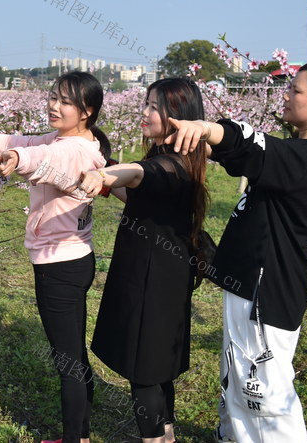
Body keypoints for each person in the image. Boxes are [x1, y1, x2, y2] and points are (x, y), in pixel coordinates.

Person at [166, 61, 307, 443]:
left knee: (264, 396)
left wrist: (209, 129)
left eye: (296, 90)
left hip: (265, 292)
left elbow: (251, 146)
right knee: (239, 378)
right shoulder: (301, 155)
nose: (286, 96)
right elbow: (251, 158)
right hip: (251, 286)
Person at [0, 71, 107, 443]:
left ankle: (74, 439)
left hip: (58, 265)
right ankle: (81, 430)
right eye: (53, 96)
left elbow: (39, 155)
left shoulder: (71, 150)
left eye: (65, 101)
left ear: (86, 111)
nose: (54, 105)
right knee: (73, 351)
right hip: (74, 258)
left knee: (66, 360)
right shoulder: (74, 139)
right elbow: (22, 141)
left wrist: (17, 157)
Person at [78, 78, 209, 443]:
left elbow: (138, 174)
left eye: (154, 106)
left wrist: (104, 174)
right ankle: (166, 435)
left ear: (179, 116)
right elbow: (137, 191)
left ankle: (155, 438)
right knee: (157, 368)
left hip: (152, 278)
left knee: (145, 370)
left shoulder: (168, 165)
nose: (145, 113)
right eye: (146, 104)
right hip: (163, 274)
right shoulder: (178, 160)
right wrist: (104, 174)